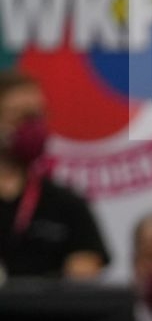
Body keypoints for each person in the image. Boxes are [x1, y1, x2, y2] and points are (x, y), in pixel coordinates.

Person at [0, 69, 108, 280]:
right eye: (21, 117)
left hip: (42, 313)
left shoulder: (66, 204)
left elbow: (84, 276)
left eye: (38, 117)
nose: (33, 127)